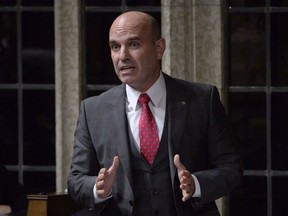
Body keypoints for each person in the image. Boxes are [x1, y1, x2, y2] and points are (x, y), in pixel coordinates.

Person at [67, 11, 242, 216]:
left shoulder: (202, 99)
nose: (123, 56)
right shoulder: (92, 110)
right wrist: (97, 189)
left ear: (159, 48)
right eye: (115, 47)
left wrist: (195, 183)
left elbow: (231, 169)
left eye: (133, 44)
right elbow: (76, 180)